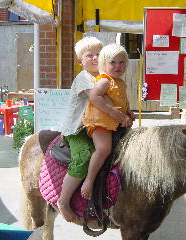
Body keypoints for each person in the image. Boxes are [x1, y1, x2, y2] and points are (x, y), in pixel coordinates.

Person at [58, 37, 130, 223]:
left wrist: (128, 114)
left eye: (98, 54)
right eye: (89, 56)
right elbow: (100, 100)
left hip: (102, 125)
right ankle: (64, 201)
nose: (94, 58)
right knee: (84, 156)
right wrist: (120, 116)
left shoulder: (109, 78)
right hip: (78, 129)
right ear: (80, 61)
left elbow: (119, 99)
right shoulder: (85, 78)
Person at [81, 43, 134, 200]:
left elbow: (121, 100)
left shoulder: (120, 82)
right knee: (103, 149)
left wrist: (128, 112)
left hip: (113, 123)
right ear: (104, 64)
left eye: (121, 62)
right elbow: (94, 96)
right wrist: (111, 111)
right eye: (112, 62)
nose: (117, 66)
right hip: (100, 122)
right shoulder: (105, 81)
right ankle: (89, 181)